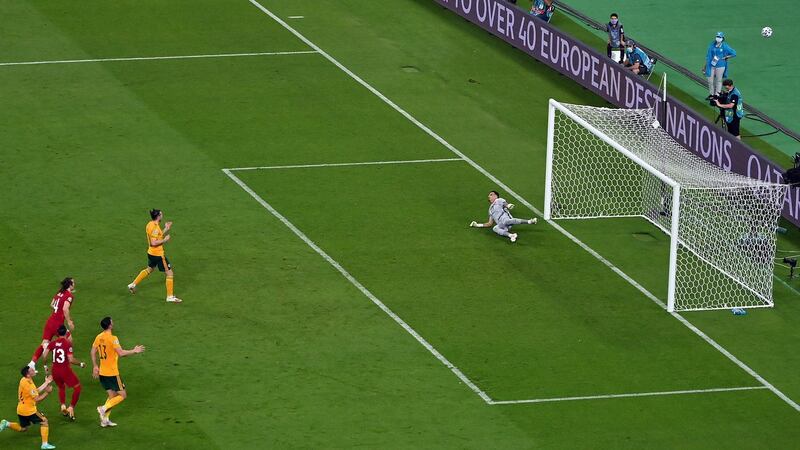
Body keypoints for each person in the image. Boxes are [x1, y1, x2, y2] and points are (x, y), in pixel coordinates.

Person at [90, 316, 145, 427]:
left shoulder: (98, 337)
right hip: (112, 373)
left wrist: (95, 366)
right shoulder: (113, 338)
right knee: (123, 395)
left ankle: (104, 420)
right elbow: (121, 353)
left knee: (112, 396)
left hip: (102, 372)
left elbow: (92, 351)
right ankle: (103, 408)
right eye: (112, 321)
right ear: (110, 325)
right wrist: (134, 351)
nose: (113, 322)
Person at [127, 209, 182, 303]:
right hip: (158, 254)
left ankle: (133, 284)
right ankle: (170, 297)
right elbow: (153, 242)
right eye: (161, 214)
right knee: (170, 274)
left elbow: (156, 236)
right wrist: (165, 240)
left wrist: (166, 229)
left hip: (151, 253)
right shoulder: (155, 228)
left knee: (149, 269)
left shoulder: (150, 224)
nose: (162, 215)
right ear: (158, 216)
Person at [0, 366, 56, 449]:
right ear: (28, 374)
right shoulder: (30, 385)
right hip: (29, 411)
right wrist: (47, 393)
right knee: (44, 422)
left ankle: (6, 423)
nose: (33, 370)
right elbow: (37, 399)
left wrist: (46, 382)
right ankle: (44, 444)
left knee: (23, 428)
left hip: (20, 409)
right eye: (31, 370)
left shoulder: (23, 380)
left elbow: (34, 391)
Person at [28, 278, 76, 370]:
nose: (74, 283)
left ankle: (32, 363)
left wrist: (57, 309)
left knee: (44, 343)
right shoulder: (69, 296)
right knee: (69, 339)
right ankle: (64, 357)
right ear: (70, 285)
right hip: (58, 324)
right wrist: (69, 321)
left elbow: (52, 304)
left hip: (50, 322)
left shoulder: (59, 293)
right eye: (73, 282)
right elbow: (65, 309)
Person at [469, 191, 537, 243]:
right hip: (501, 224)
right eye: (489, 195)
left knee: (506, 221)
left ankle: (530, 221)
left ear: (496, 196)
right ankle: (511, 235)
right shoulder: (490, 210)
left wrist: (508, 206)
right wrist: (477, 225)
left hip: (505, 217)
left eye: (491, 194)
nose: (489, 196)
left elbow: (505, 204)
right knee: (495, 228)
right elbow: (489, 223)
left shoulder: (498, 200)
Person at [49, 326, 85, 421]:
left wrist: (45, 366)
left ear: (57, 333)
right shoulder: (67, 343)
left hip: (54, 370)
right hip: (64, 370)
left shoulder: (52, 343)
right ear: (66, 333)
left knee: (61, 387)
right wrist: (80, 364)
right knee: (77, 387)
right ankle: (71, 407)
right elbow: (71, 359)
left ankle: (63, 405)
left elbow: (44, 355)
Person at [703, 32, 736, 99]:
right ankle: (711, 94)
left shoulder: (724, 46)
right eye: (717, 36)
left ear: (722, 38)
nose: (718, 38)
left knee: (718, 80)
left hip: (720, 66)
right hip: (711, 65)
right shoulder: (712, 45)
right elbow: (708, 57)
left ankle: (717, 95)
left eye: (720, 37)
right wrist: (705, 66)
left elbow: (734, 53)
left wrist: (726, 57)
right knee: (710, 80)